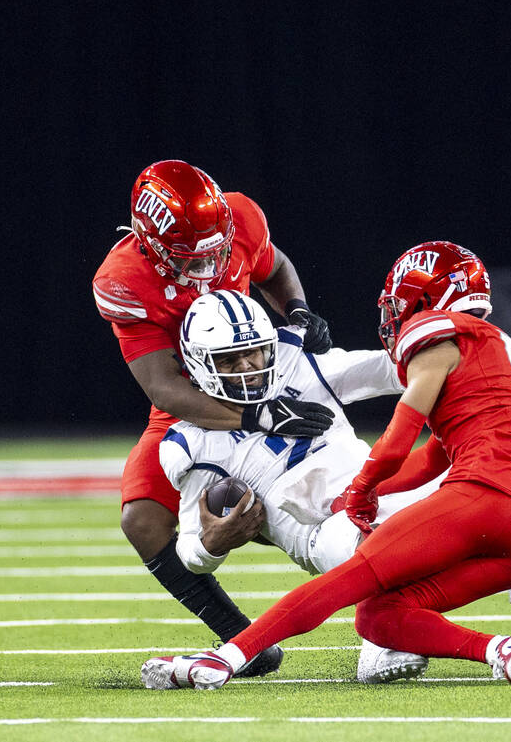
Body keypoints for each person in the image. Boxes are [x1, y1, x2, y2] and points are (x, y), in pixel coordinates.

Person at [141, 241, 511, 689]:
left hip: (382, 490)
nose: (249, 366)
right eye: (231, 360)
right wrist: (213, 543)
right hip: (327, 525)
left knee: (505, 431)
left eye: (256, 352)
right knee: (357, 550)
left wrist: (469, 363)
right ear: (200, 365)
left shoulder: (295, 362)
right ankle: (444, 632)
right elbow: (190, 551)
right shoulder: (189, 443)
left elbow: (393, 369)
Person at [91, 160, 337, 677]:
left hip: (263, 374)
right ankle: (243, 641)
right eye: (188, 257)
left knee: (335, 490)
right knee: (142, 519)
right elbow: (164, 386)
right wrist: (259, 417)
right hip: (194, 397)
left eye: (215, 251)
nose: (206, 267)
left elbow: (275, 266)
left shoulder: (241, 217)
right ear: (148, 241)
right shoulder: (123, 279)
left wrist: (295, 311)